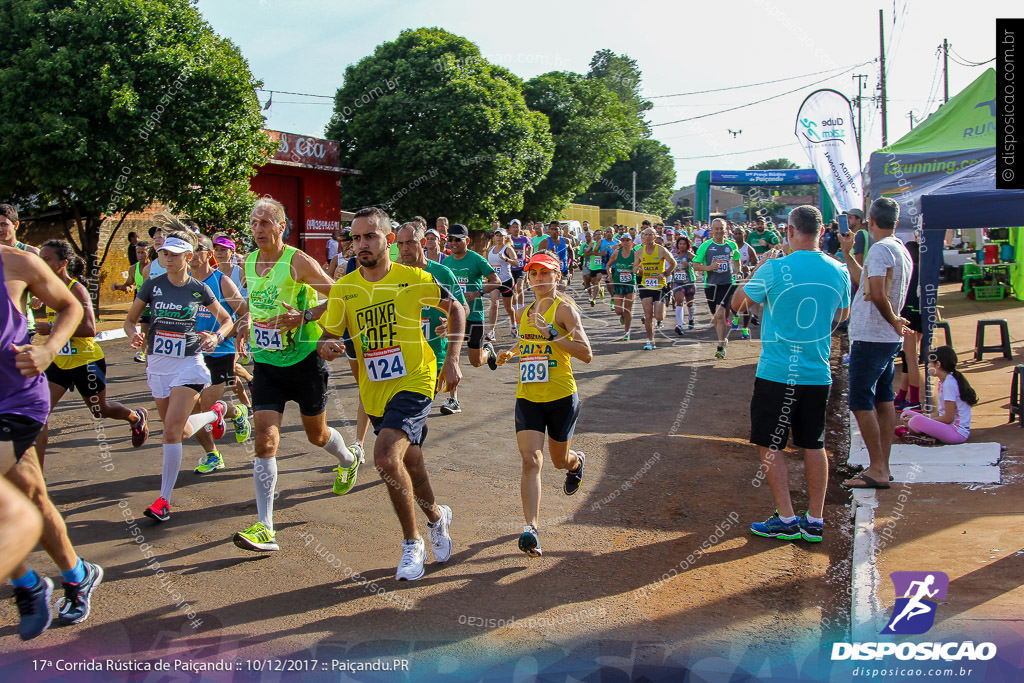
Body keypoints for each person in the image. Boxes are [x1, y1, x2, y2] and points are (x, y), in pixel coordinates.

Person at [320, 207, 465, 581]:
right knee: (411, 463)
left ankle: (411, 543)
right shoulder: (344, 288)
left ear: (387, 239)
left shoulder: (413, 279)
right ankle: (437, 517)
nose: (362, 244)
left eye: (370, 236)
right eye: (355, 238)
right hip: (375, 390)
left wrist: (451, 360)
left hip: (416, 380)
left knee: (384, 457)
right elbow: (329, 336)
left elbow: (457, 309)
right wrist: (328, 346)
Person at [232, 198, 358, 553]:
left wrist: (303, 317)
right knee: (264, 440)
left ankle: (348, 459)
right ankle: (265, 527)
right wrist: (245, 325)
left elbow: (340, 296)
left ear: (281, 225)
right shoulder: (249, 263)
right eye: (254, 223)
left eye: (265, 223)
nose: (258, 230)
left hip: (304, 361)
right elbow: (257, 305)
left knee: (316, 436)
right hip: (268, 364)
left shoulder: (298, 261)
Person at [2, 238, 104, 641]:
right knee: (31, 496)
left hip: (15, 397)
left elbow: (72, 308)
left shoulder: (16, 262)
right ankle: (77, 575)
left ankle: (26, 584)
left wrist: (47, 351)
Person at [731, 205, 850, 543]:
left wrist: (760, 267)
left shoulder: (774, 268)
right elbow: (841, 315)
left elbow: (739, 302)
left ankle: (786, 516)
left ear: (789, 232)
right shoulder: (838, 269)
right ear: (822, 232)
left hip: (778, 371)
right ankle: (814, 519)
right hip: (817, 370)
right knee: (814, 443)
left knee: (771, 444)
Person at [124, 230, 235, 523]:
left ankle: (164, 500)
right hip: (158, 364)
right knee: (181, 431)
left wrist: (215, 336)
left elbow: (227, 320)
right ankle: (215, 414)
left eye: (174, 254)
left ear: (188, 257)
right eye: (164, 253)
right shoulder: (152, 285)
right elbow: (130, 319)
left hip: (189, 363)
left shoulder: (199, 289)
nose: (168, 258)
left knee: (171, 432)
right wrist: (133, 334)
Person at [495, 251, 592, 557]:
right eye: (534, 273)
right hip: (528, 398)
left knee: (559, 461)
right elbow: (527, 342)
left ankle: (576, 463)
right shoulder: (525, 312)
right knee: (530, 461)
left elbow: (586, 353)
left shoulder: (564, 311)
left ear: (557, 276)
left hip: (561, 397)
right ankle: (531, 530)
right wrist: (511, 353)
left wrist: (551, 333)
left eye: (545, 273)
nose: (539, 278)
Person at [34, 240, 149, 465]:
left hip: (86, 362)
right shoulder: (47, 288)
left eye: (46, 258)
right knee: (39, 413)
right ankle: (36, 475)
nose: (41, 262)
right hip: (58, 361)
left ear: (63, 263)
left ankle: (135, 417)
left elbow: (90, 329)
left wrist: (52, 329)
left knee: (100, 410)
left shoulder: (76, 289)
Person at [838, 197, 913, 490]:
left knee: (860, 400)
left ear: (869, 220)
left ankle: (879, 467)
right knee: (883, 399)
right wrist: (848, 254)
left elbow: (879, 294)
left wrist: (893, 319)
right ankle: (882, 463)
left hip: (873, 335)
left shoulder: (881, 250)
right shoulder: (898, 250)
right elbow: (869, 286)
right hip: (883, 336)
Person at [188, 236, 252, 474]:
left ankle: (236, 411)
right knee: (193, 410)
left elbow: (245, 314)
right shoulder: (183, 283)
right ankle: (213, 454)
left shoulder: (221, 281)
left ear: (208, 254)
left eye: (198, 250)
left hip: (221, 351)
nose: (192, 254)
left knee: (204, 407)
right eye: (189, 250)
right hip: (191, 353)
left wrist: (226, 336)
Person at [395, 224, 468, 413]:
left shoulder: (442, 272)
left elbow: (463, 308)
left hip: (434, 357)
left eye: (410, 242)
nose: (404, 248)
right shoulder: (392, 275)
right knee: (406, 417)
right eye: (400, 243)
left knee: (410, 416)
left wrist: (448, 323)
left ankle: (453, 400)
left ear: (423, 243)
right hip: (401, 358)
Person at [441, 223, 499, 415]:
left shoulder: (476, 259)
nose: (454, 242)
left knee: (475, 361)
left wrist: (477, 293)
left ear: (467, 241)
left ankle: (487, 351)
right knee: (451, 356)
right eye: (450, 239)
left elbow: (496, 281)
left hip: (473, 316)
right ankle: (453, 400)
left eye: (458, 239)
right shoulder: (446, 263)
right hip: (452, 317)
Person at [897, 346, 976, 445]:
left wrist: (924, 419)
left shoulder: (949, 383)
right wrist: (926, 417)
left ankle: (917, 432)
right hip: (948, 427)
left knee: (916, 420)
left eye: (930, 363)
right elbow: (941, 413)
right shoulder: (944, 381)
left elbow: (948, 418)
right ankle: (919, 432)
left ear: (938, 364)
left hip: (956, 433)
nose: (928, 366)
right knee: (906, 413)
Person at [692, 218, 741, 359]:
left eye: (722, 229)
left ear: (726, 230)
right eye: (716, 229)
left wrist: (738, 271)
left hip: (728, 284)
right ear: (711, 230)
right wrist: (709, 268)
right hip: (711, 285)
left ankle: (720, 346)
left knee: (720, 314)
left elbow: (736, 259)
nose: (719, 231)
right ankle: (723, 338)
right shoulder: (706, 246)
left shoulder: (731, 245)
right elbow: (695, 264)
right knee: (716, 316)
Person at [632, 228, 676, 350]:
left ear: (654, 237)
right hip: (645, 285)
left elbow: (673, 263)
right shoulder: (639, 251)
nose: (647, 237)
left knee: (659, 316)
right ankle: (650, 340)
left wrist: (666, 274)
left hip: (660, 286)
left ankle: (664, 309)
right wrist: (637, 270)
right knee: (648, 315)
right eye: (645, 235)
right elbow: (635, 266)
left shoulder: (661, 250)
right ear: (642, 237)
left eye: (650, 235)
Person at [894, 241, 923, 411]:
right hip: (919, 317)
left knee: (911, 358)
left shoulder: (910, 269)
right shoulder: (922, 269)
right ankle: (902, 395)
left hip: (910, 317)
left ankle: (915, 400)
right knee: (909, 357)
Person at [485, 228, 518, 340]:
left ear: (505, 237)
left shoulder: (508, 249)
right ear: (494, 237)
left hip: (507, 281)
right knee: (494, 304)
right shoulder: (490, 249)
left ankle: (513, 324)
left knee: (508, 308)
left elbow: (517, 264)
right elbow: (487, 265)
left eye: (501, 236)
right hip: (495, 282)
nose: (499, 238)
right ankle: (491, 331)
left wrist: (506, 259)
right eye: (497, 235)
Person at [607, 234, 637, 341]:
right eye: (623, 240)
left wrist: (636, 268)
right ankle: (622, 316)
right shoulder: (616, 253)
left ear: (631, 242)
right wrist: (610, 274)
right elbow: (608, 265)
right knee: (618, 310)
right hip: (618, 284)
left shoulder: (635, 254)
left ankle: (626, 331)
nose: (625, 242)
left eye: (627, 240)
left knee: (628, 309)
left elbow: (640, 268)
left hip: (630, 284)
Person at [670, 235, 697, 335]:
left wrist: (689, 264)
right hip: (678, 282)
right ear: (677, 245)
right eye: (680, 244)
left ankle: (691, 318)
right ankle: (680, 325)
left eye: (684, 244)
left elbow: (698, 263)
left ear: (687, 245)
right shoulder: (674, 256)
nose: (682, 246)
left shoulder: (689, 255)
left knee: (690, 303)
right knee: (679, 301)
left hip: (689, 281)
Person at [536, 221, 572, 290]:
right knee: (553, 291)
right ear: (549, 230)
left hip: (563, 270)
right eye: (552, 229)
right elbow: (538, 257)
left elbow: (571, 252)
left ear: (560, 230)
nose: (554, 231)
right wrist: (549, 253)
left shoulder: (566, 241)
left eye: (556, 229)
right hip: (550, 271)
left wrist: (570, 263)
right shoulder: (545, 242)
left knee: (561, 288)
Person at [508, 219, 532, 308]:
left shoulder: (524, 239)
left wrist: (529, 255)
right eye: (513, 227)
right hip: (510, 268)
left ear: (520, 228)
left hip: (521, 267)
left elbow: (530, 246)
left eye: (517, 227)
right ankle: (515, 308)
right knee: (513, 290)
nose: (515, 229)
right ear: (510, 229)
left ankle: (521, 308)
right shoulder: (507, 239)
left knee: (520, 287)